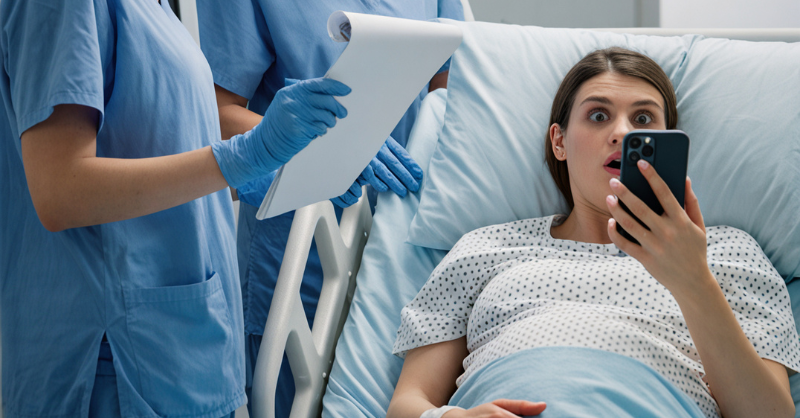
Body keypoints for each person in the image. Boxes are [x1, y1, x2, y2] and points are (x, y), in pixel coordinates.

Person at [387, 48, 799, 418]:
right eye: (598, 115)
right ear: (559, 141)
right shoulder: (485, 248)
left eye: (643, 119)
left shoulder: (725, 253)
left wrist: (694, 281)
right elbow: (408, 402)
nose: (621, 133)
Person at [0, 1, 351, 417]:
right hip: (118, 358)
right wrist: (242, 156)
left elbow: (152, 148)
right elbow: (60, 192)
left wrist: (277, 172)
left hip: (182, 349)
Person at [196, 1, 465, 416]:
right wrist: (333, 143)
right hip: (299, 252)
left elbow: (452, 93)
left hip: (410, 247)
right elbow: (211, 117)